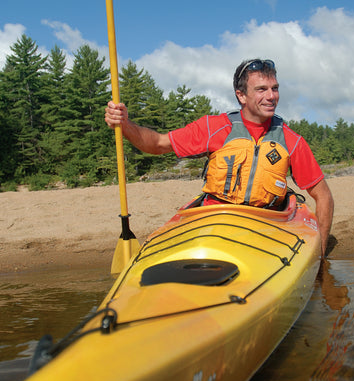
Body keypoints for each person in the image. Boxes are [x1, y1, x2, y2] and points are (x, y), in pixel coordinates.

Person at [105, 59, 334, 256]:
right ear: (241, 95)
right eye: (261, 89)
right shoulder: (214, 128)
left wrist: (320, 258)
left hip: (266, 224)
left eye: (274, 88)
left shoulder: (290, 140)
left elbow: (323, 197)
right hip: (215, 220)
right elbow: (156, 143)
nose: (271, 96)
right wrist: (124, 124)